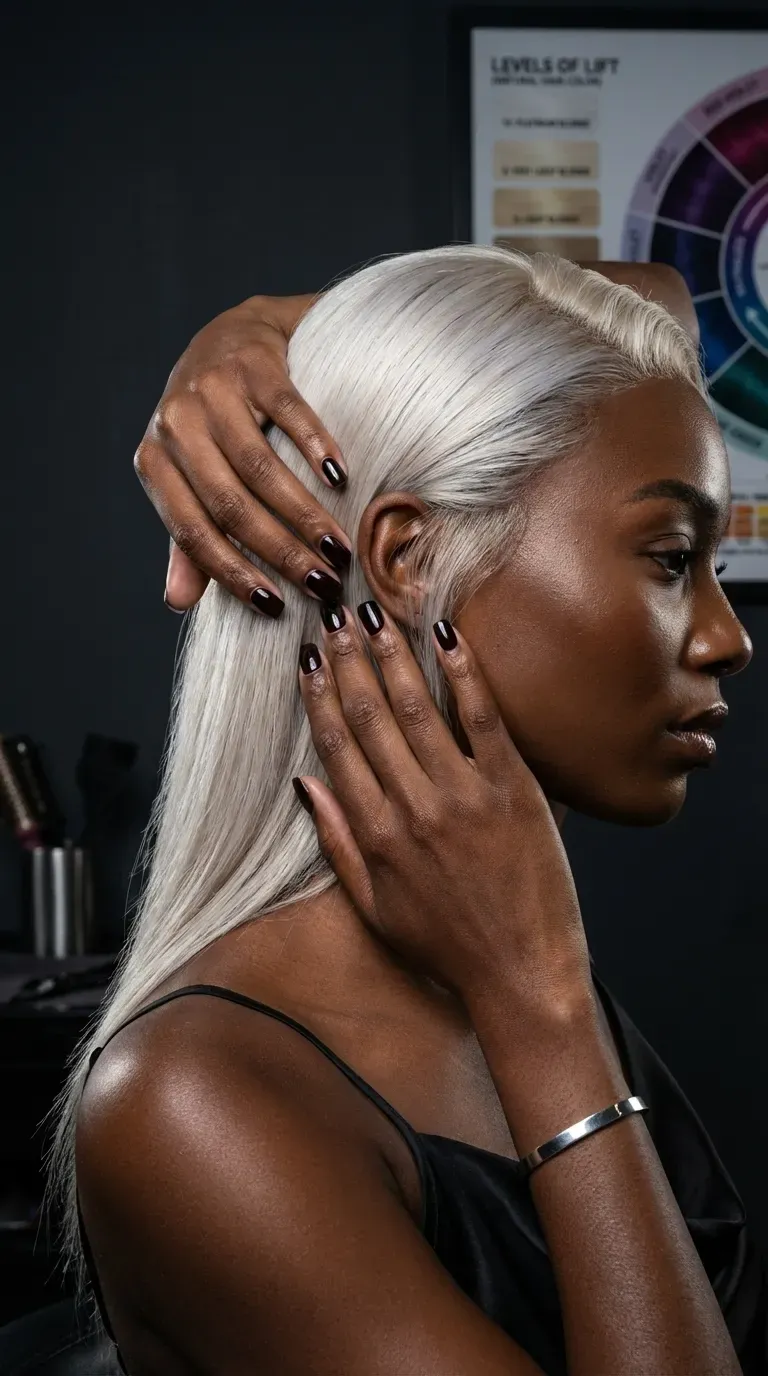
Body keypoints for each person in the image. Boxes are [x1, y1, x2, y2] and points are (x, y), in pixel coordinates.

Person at [44, 246, 767, 1375]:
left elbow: (649, 300)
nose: (728, 638)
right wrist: (542, 1007)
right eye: (674, 557)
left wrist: (283, 322)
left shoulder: (487, 958)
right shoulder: (196, 1102)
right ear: (408, 555)